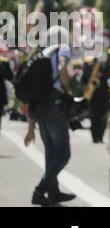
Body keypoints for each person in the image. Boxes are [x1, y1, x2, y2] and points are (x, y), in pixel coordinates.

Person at [22, 26, 77, 206]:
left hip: (41, 111)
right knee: (63, 154)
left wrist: (30, 128)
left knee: (51, 153)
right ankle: (40, 190)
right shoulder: (63, 48)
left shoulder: (42, 55)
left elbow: (31, 95)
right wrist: (67, 90)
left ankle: (54, 193)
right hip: (55, 108)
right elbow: (62, 68)